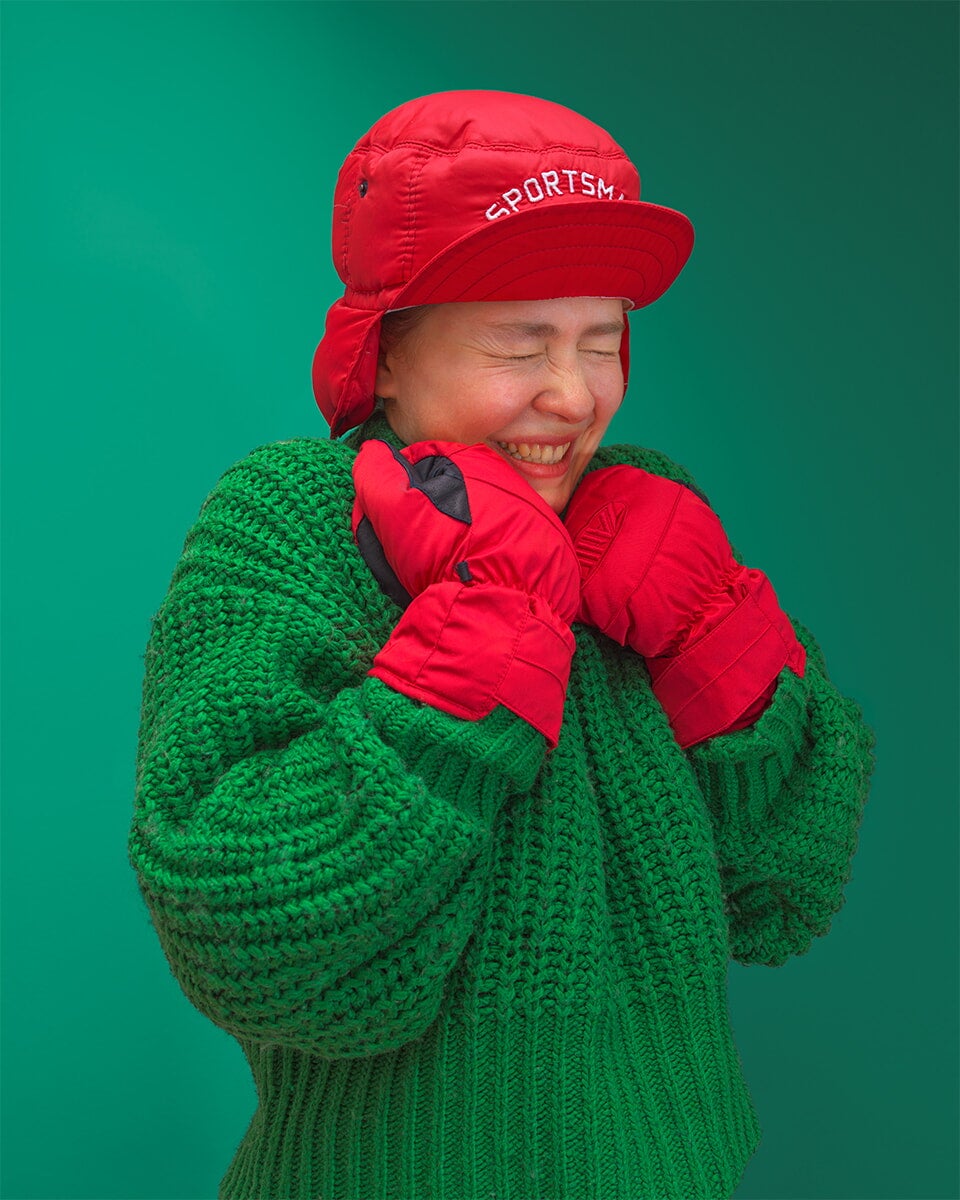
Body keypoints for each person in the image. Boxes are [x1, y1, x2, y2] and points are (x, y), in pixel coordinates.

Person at [129, 91, 876, 1200]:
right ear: (383, 355)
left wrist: (717, 648)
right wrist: (481, 645)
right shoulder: (291, 520)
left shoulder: (640, 513)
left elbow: (786, 889)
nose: (571, 396)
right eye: (520, 343)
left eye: (603, 341)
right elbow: (246, 936)